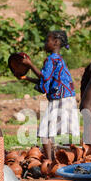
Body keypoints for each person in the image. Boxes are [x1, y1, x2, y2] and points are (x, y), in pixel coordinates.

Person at [18, 30, 80, 161]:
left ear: (56, 42)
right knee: (48, 131)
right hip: (65, 97)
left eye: (47, 40)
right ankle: (54, 159)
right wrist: (27, 78)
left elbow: (44, 78)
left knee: (44, 131)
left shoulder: (52, 59)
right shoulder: (58, 59)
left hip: (60, 99)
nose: (45, 43)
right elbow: (46, 80)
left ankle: (50, 162)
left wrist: (30, 65)